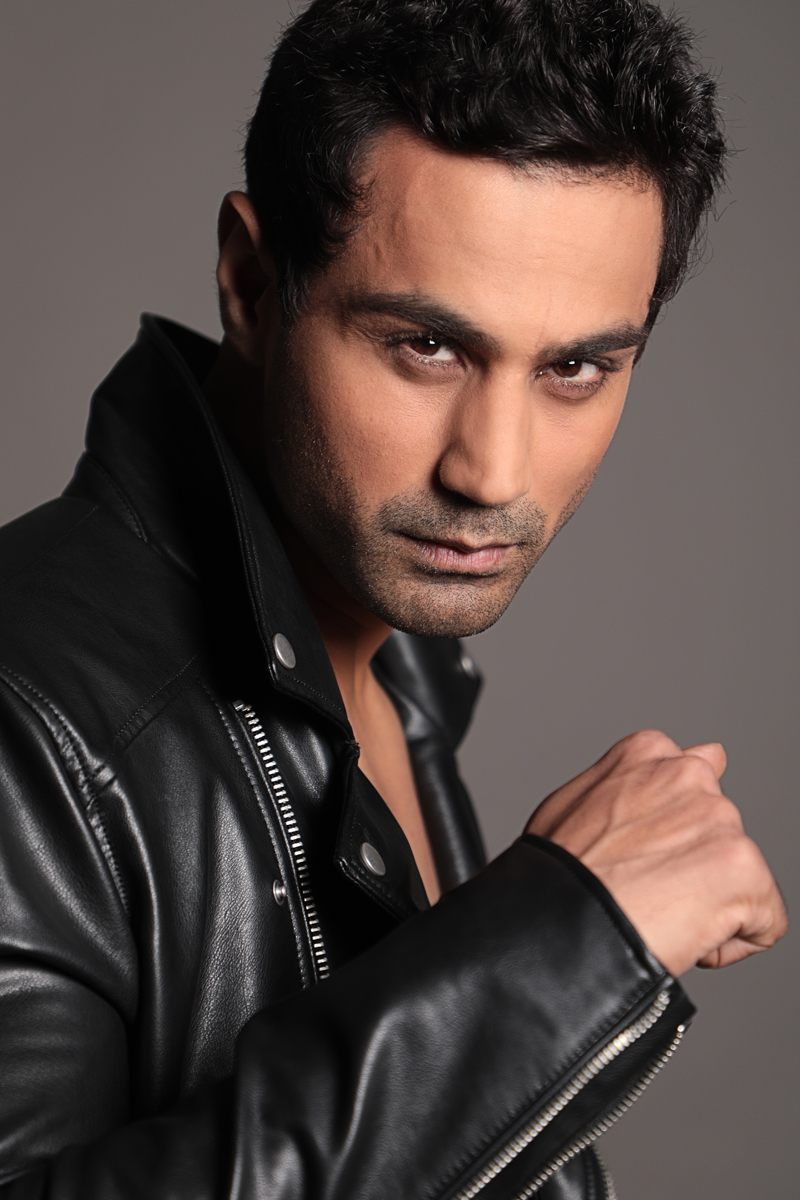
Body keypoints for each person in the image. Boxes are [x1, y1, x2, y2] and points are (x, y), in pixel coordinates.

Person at [0, 0, 786, 1197]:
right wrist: (560, 949)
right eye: (426, 346)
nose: (493, 473)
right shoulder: (28, 717)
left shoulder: (396, 673)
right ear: (252, 284)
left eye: (575, 367)